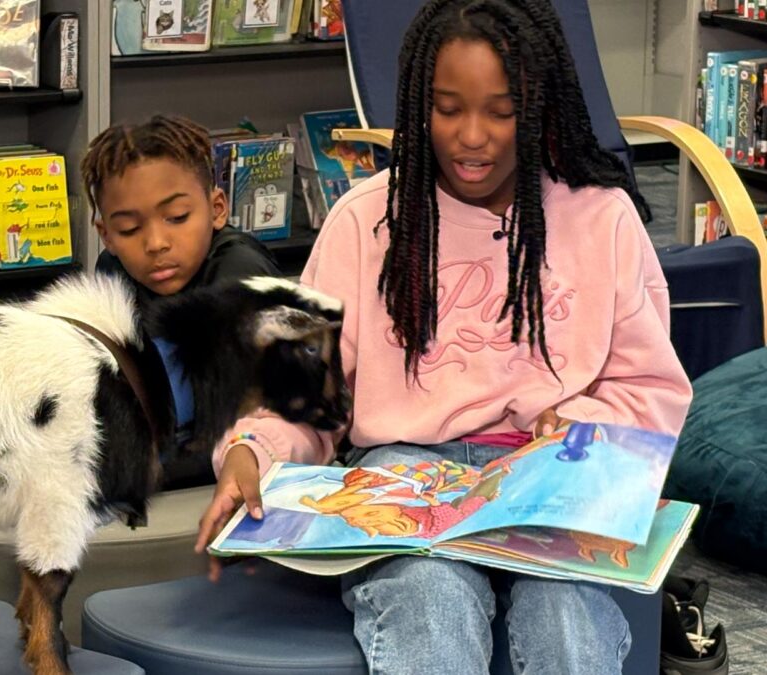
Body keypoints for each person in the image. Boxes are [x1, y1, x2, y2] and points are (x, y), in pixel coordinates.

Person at [195, 0, 692, 672]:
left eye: (501, 109)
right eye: (448, 107)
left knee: (566, 615)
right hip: (402, 477)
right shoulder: (365, 220)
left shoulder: (602, 220)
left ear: (539, 105)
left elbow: (649, 389)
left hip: (548, 480)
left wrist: (579, 422)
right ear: (416, 104)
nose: (472, 135)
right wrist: (250, 451)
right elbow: (295, 394)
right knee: (429, 602)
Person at [81, 114, 282, 488]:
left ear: (217, 209)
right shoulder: (112, 272)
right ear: (105, 234)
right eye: (129, 229)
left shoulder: (239, 275)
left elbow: (253, 421)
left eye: (176, 217)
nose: (156, 243)